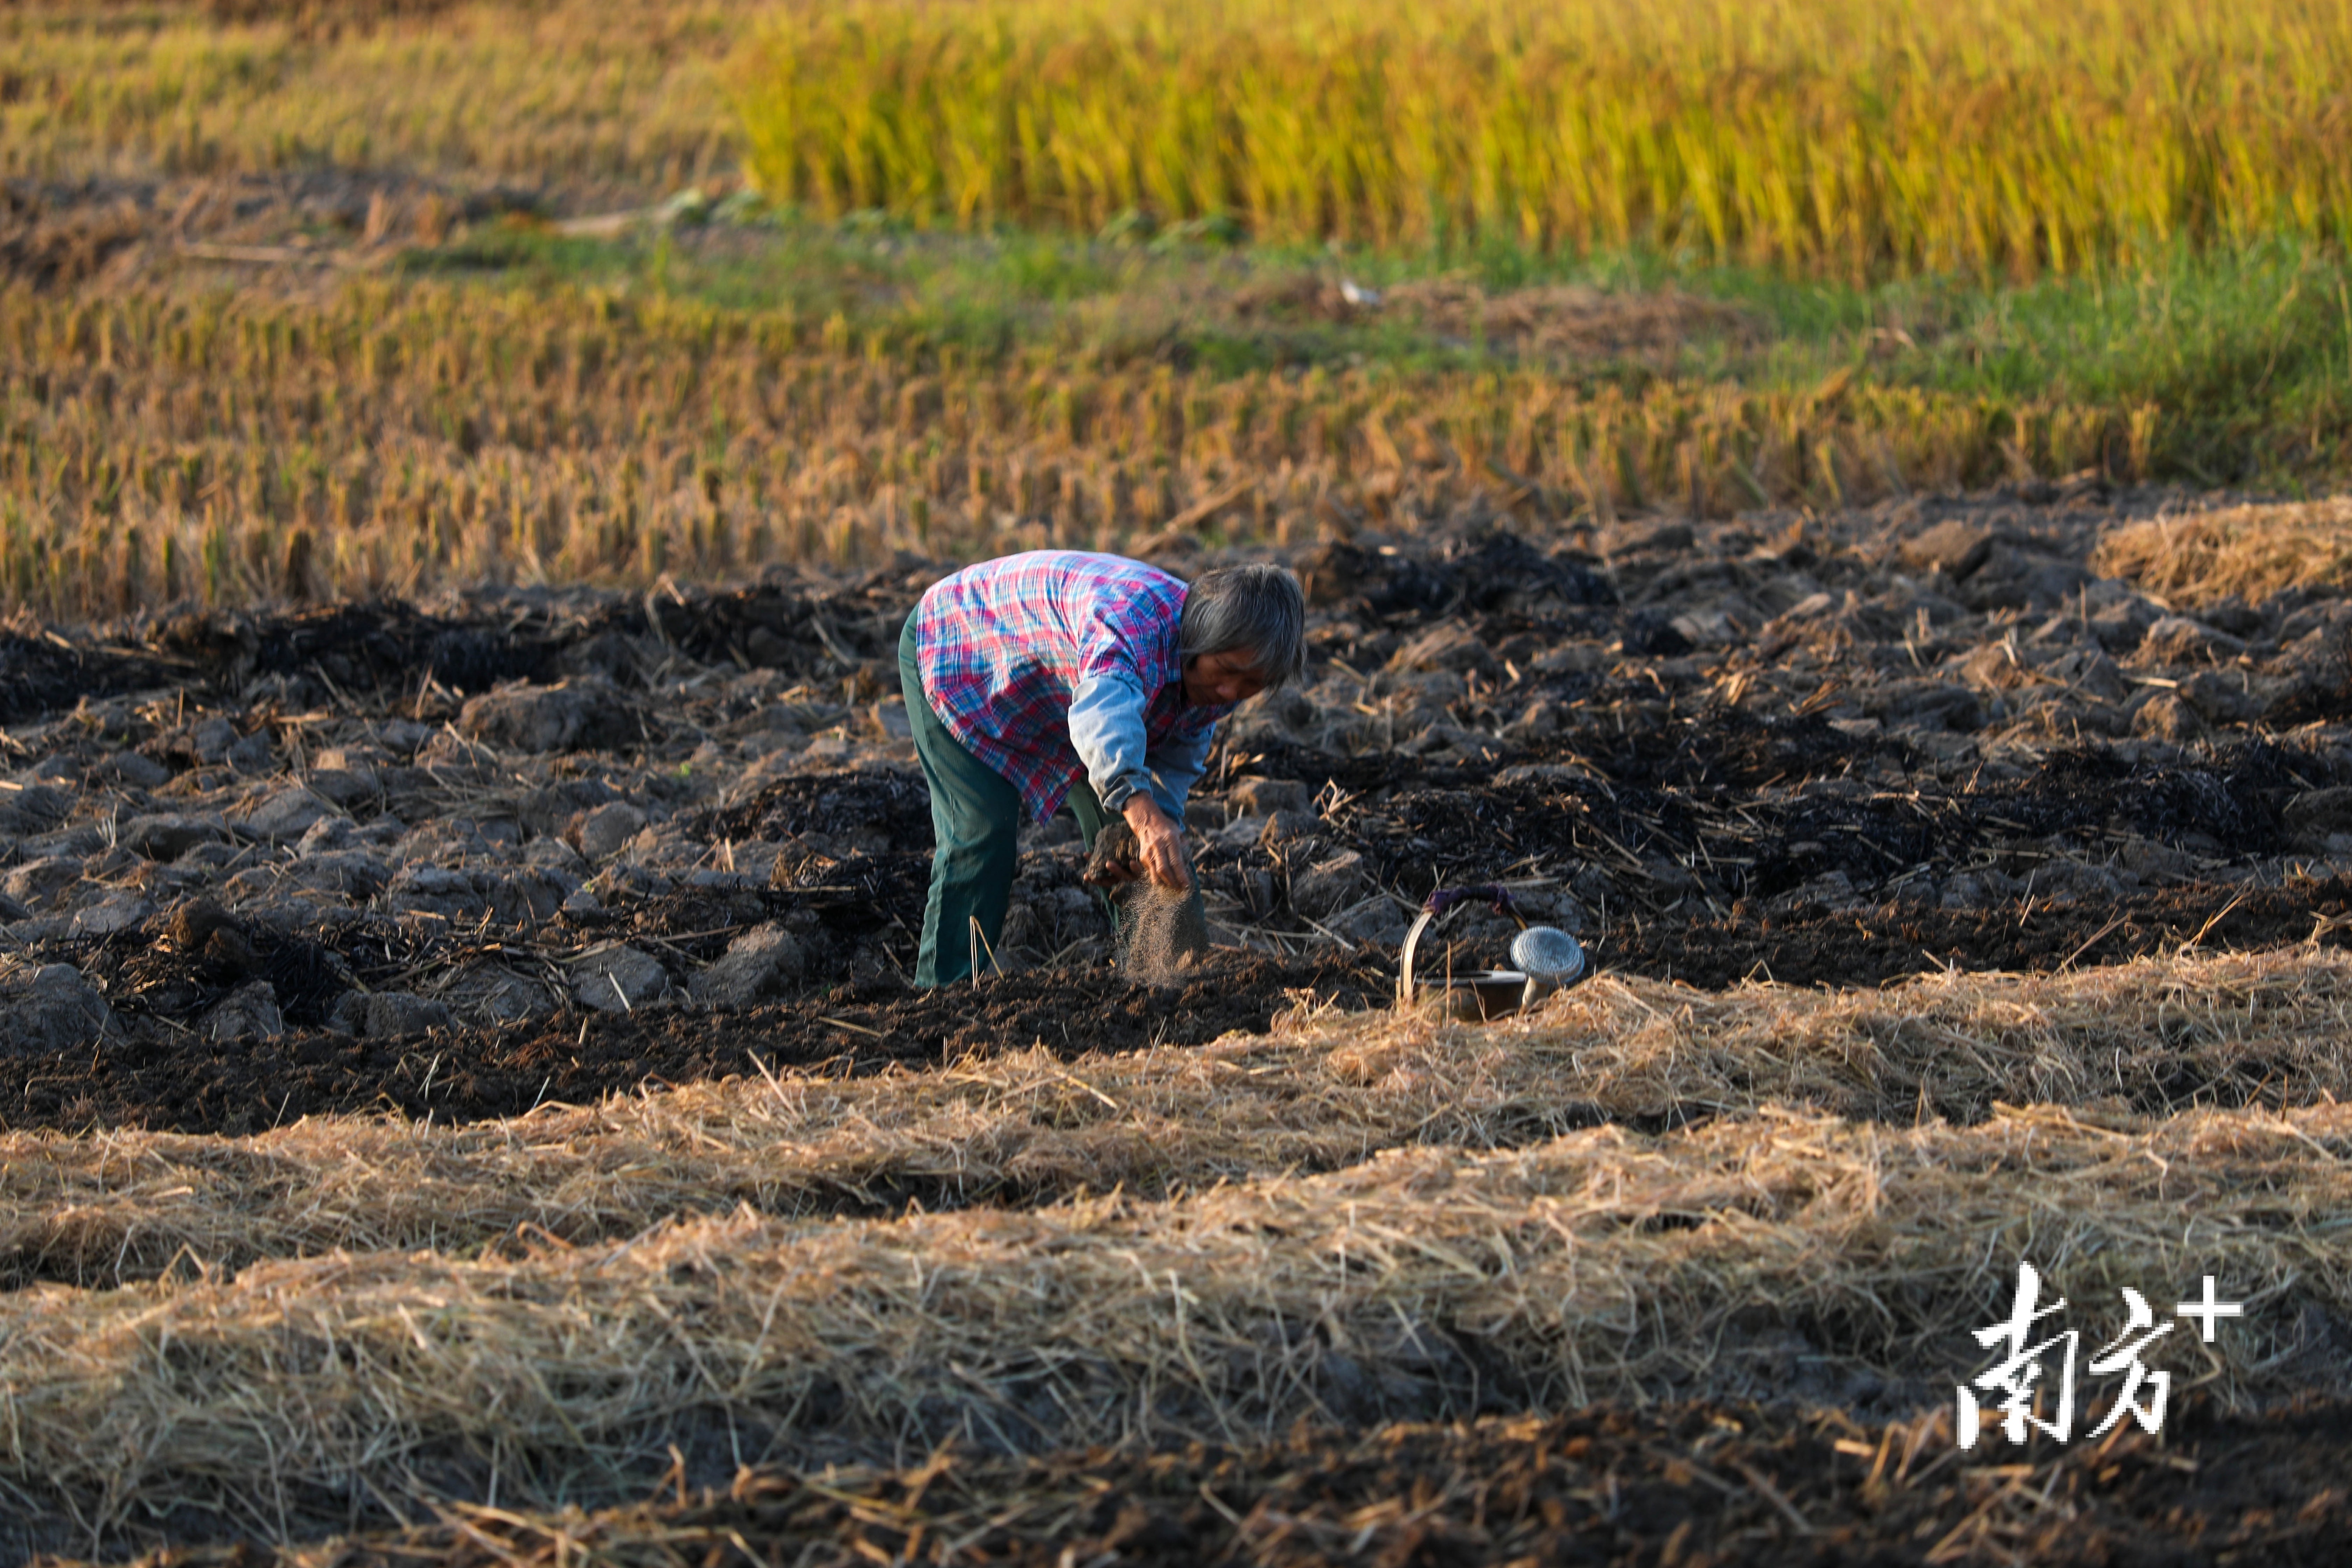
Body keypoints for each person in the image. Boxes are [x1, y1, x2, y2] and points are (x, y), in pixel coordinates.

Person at [898, 551, 1307, 985]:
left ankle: (1171, 982)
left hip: (1060, 688)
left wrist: (1150, 830)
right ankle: (944, 991)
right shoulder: (1130, 625)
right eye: (1226, 671)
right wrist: (1146, 819)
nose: (1230, 691)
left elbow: (1173, 762)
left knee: (1145, 847)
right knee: (982, 832)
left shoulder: (1216, 688)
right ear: (1203, 640)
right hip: (958, 652)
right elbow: (1101, 722)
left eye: (1251, 685)